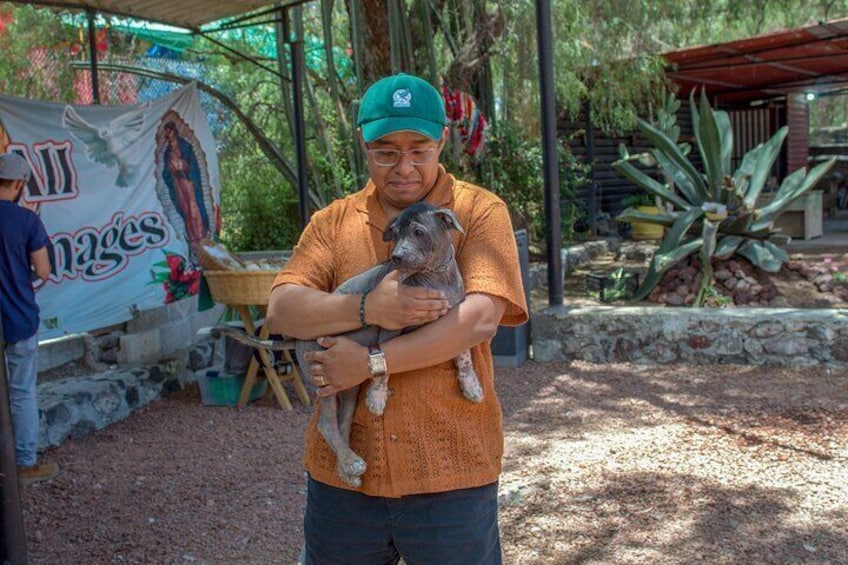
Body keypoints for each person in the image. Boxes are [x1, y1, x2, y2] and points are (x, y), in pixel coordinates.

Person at [267, 73, 528, 564]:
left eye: (419, 149)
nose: (404, 166)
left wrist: (370, 363)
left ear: (442, 141)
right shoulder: (333, 222)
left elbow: (479, 319)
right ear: (364, 144)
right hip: (344, 486)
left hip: (451, 474)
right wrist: (366, 309)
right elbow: (281, 309)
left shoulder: (477, 212)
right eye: (385, 151)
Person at [0, 153, 58, 485]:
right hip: (19, 318)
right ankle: (24, 464)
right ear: (19, 184)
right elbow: (44, 271)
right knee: (21, 392)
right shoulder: (27, 221)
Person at [161, 121, 209, 248]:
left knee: (194, 208)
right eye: (166, 131)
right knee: (186, 211)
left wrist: (184, 165)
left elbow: (193, 166)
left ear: (174, 131)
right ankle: (193, 240)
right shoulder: (167, 151)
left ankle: (201, 237)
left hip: (188, 181)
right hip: (177, 183)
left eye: (169, 130)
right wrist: (171, 168)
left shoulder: (185, 145)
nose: (167, 133)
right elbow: (165, 172)